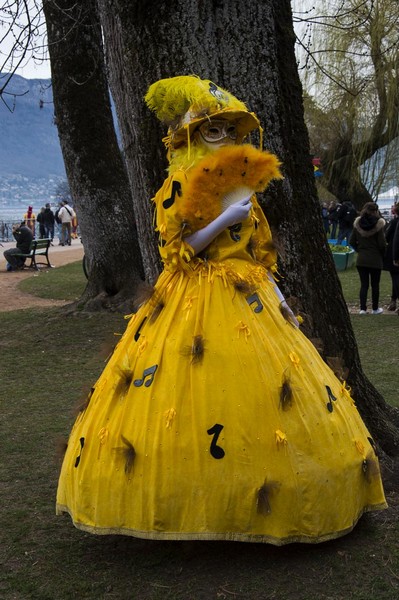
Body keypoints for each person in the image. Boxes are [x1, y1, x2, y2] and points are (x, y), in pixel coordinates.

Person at [56, 75, 386, 544]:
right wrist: (225, 219)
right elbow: (178, 248)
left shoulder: (242, 185)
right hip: (190, 291)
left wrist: (277, 297)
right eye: (212, 130)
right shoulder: (178, 185)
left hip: (247, 293)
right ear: (188, 136)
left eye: (229, 131)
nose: (223, 138)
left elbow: (257, 254)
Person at [349, 202, 386, 315]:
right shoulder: (379, 225)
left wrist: (359, 250)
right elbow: (382, 243)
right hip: (375, 259)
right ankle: (375, 308)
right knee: (375, 285)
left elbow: (351, 241)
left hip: (362, 259)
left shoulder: (357, 224)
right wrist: (382, 254)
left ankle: (362, 309)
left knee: (364, 285)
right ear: (375, 211)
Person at [383, 204, 399, 312]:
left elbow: (388, 236)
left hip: (395, 253)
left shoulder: (394, 222)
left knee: (395, 278)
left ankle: (394, 299)